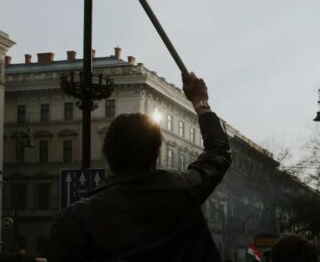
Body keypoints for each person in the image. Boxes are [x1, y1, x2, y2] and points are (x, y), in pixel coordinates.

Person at [47, 72, 231, 261]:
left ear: (109, 155)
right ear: (155, 154)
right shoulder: (184, 190)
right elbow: (218, 152)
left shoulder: (74, 220)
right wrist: (200, 101)